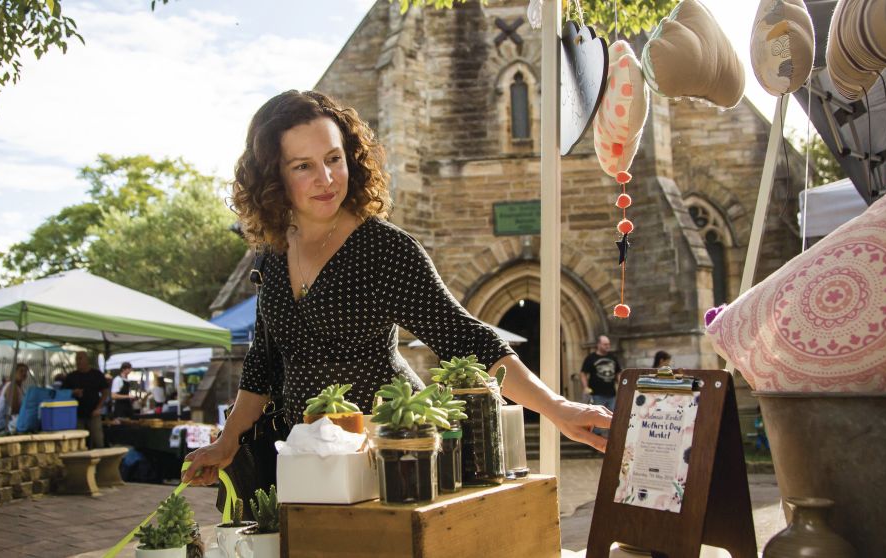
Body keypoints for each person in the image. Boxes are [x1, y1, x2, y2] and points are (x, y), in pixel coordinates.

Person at [182, 90, 612, 487]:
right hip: (304, 463)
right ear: (272, 175)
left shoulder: (383, 248)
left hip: (392, 457)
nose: (326, 178)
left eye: (334, 158)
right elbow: (262, 361)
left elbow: (466, 337)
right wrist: (227, 442)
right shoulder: (272, 253)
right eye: (303, 166)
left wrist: (558, 408)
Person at [63, 351, 110, 448]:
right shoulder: (71, 376)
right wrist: (73, 392)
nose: (78, 361)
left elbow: (105, 392)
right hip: (77, 414)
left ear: (86, 360)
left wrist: (99, 408)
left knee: (98, 439)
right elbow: (62, 393)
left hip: (93, 412)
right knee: (79, 441)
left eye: (80, 358)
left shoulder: (96, 374)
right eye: (76, 359)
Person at [580, 335, 620, 428]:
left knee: (613, 419)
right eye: (605, 344)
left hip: (611, 394)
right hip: (596, 394)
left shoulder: (612, 357)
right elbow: (583, 374)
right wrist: (585, 387)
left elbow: (618, 373)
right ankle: (596, 438)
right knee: (597, 419)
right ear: (598, 344)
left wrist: (621, 386)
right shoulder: (591, 358)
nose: (608, 346)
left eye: (608, 344)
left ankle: (612, 440)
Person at [0, 364, 28, 432]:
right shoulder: (11, 386)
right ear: (14, 373)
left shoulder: (21, 389)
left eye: (25, 371)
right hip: (1, 423)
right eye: (21, 371)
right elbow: (14, 409)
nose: (24, 373)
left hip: (9, 420)